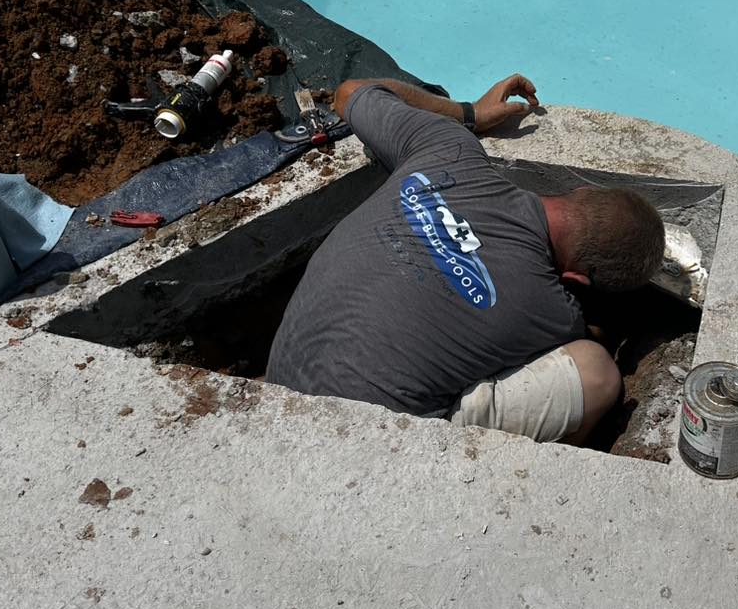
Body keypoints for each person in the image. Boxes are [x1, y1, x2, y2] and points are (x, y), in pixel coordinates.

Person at [265, 74, 666, 444]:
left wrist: (469, 114)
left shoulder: (448, 147)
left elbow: (350, 92)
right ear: (576, 279)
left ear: (578, 190)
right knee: (596, 371)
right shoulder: (554, 315)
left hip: (274, 392)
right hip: (366, 450)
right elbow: (583, 337)